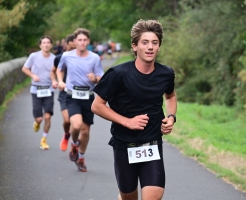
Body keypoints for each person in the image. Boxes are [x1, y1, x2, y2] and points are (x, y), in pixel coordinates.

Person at [91, 19, 177, 200]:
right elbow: (97, 106)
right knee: (128, 197)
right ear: (135, 46)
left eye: (154, 43)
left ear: (159, 46)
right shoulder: (118, 74)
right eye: (145, 42)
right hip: (124, 145)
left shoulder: (166, 73)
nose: (150, 47)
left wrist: (171, 116)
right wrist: (127, 121)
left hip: (152, 144)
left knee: (154, 195)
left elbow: (170, 96)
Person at [56, 28, 104, 172]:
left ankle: (81, 158)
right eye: (80, 40)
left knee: (85, 131)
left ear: (88, 42)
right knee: (76, 126)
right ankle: (74, 144)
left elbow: (101, 77)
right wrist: (60, 81)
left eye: (85, 40)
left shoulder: (95, 58)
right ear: (75, 41)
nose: (82, 43)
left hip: (88, 97)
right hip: (72, 96)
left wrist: (94, 79)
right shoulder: (66, 56)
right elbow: (59, 69)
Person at [22, 36, 56, 150]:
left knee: (47, 117)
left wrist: (55, 81)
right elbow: (25, 68)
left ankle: (44, 140)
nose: (46, 45)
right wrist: (33, 75)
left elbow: (57, 72)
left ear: (51, 45)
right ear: (40, 45)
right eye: (44, 43)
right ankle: (37, 122)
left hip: (49, 90)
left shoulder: (54, 58)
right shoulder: (34, 56)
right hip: (36, 89)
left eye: (48, 43)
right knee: (39, 118)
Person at [50, 33, 76, 151]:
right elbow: (53, 71)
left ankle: (74, 143)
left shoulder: (84, 58)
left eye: (75, 48)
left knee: (77, 124)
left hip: (79, 93)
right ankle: (66, 135)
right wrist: (56, 81)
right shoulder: (60, 57)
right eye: (71, 48)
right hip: (65, 92)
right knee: (67, 120)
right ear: (66, 46)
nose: (73, 51)